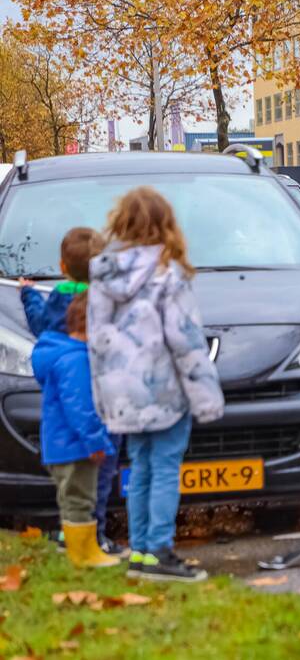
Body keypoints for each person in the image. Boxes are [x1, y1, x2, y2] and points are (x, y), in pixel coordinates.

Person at [88, 186, 224, 583]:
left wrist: (104, 396)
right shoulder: (168, 274)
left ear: (122, 222)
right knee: (164, 467)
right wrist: (206, 396)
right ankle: (159, 550)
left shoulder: (103, 273)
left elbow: (96, 341)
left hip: (122, 393)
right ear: (166, 224)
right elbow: (185, 341)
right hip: (162, 389)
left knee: (141, 468)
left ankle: (141, 552)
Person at [19, 227, 125, 558]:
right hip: (105, 400)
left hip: (71, 413)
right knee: (100, 477)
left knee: (78, 486)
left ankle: (81, 534)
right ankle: (94, 537)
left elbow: (39, 325)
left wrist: (29, 294)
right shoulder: (106, 299)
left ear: (62, 267)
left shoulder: (58, 300)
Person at [30, 293, 119, 568]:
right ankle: (83, 554)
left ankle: (82, 548)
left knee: (72, 500)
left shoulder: (57, 351)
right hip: (76, 446)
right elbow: (80, 407)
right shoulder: (76, 360)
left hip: (61, 445)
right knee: (81, 500)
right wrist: (96, 441)